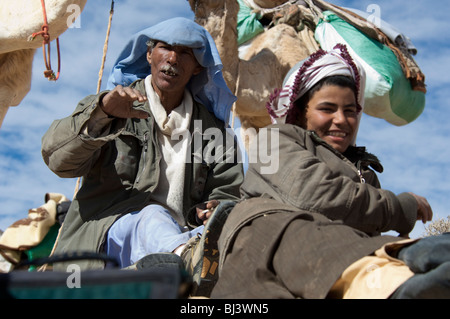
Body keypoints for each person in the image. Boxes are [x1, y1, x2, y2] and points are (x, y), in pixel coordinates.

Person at [211, 44, 449, 299]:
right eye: (327, 109)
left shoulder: (366, 174)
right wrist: (401, 208)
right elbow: (314, 195)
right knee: (292, 228)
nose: (341, 119)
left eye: (350, 111)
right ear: (301, 113)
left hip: (335, 262)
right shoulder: (273, 139)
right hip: (266, 240)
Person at [41, 17, 244, 284]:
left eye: (185, 52)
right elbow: (58, 161)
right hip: (108, 239)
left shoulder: (214, 131)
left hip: (183, 233)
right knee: (152, 215)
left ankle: (184, 256)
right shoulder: (110, 105)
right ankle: (185, 260)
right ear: (149, 54)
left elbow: (228, 192)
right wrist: (102, 116)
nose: (172, 58)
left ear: (197, 68)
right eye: (165, 48)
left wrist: (212, 207)